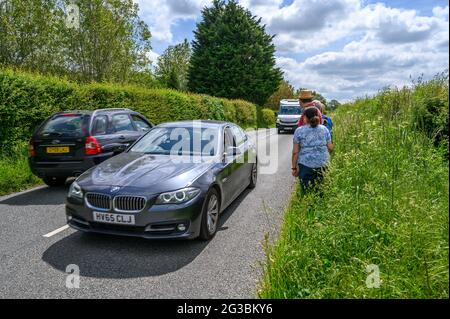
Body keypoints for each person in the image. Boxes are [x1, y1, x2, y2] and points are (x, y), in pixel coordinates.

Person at [292, 107, 333, 191]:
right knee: (322, 190)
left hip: (305, 165)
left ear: (305, 118)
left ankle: (307, 204)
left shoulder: (299, 131)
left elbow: (295, 152)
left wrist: (294, 168)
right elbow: (330, 148)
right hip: (323, 164)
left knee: (307, 191)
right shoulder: (324, 129)